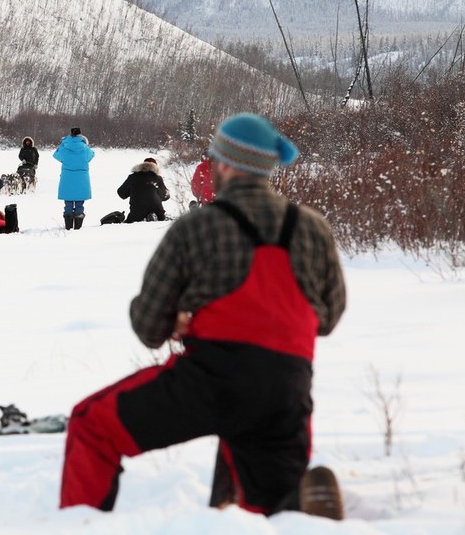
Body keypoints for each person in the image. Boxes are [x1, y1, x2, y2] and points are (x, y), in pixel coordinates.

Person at [60, 113, 347, 520]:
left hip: (211, 381)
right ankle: (297, 505)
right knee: (268, 506)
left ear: (226, 165)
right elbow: (329, 316)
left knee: (91, 426)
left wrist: (179, 319)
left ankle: (78, 524)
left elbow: (148, 325)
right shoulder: (312, 227)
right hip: (287, 387)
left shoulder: (199, 226)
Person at [52, 127, 95, 229]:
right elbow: (92, 154)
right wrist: (86, 143)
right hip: (82, 179)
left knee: (68, 202)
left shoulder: (65, 146)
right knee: (80, 202)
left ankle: (68, 225)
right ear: (80, 135)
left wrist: (62, 143)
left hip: (67, 178)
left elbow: (56, 155)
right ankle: (78, 225)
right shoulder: (85, 148)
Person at [117, 157, 171, 222]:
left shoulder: (132, 177)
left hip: (136, 213)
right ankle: (152, 215)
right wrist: (156, 190)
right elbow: (165, 196)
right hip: (158, 213)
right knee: (160, 215)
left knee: (131, 220)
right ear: (155, 167)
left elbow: (121, 193)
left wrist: (132, 190)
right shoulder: (158, 178)